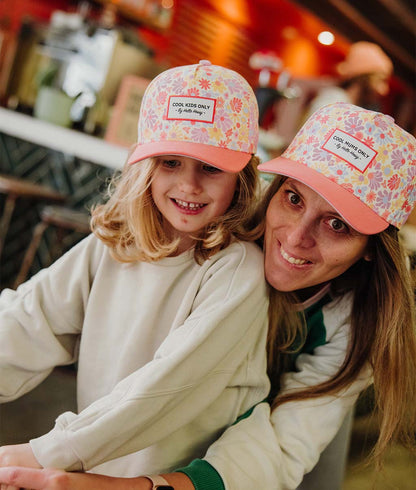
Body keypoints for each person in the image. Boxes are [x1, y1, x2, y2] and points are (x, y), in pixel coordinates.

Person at [1, 102, 415, 490]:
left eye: (338, 225)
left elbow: (277, 451)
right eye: (293, 198)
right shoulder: (210, 234)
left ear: (372, 250)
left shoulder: (355, 325)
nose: (296, 236)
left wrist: (135, 485)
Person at [0, 60, 270, 480]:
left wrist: (46, 452)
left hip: (167, 482)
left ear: (242, 176)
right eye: (170, 162)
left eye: (211, 167)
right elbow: (30, 320)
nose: (189, 185)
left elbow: (162, 389)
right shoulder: (113, 246)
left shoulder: (238, 271)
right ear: (143, 166)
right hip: (93, 469)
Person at [304, 41, 393, 121]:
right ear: (363, 79)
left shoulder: (353, 107)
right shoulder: (335, 101)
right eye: (381, 80)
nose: (384, 90)